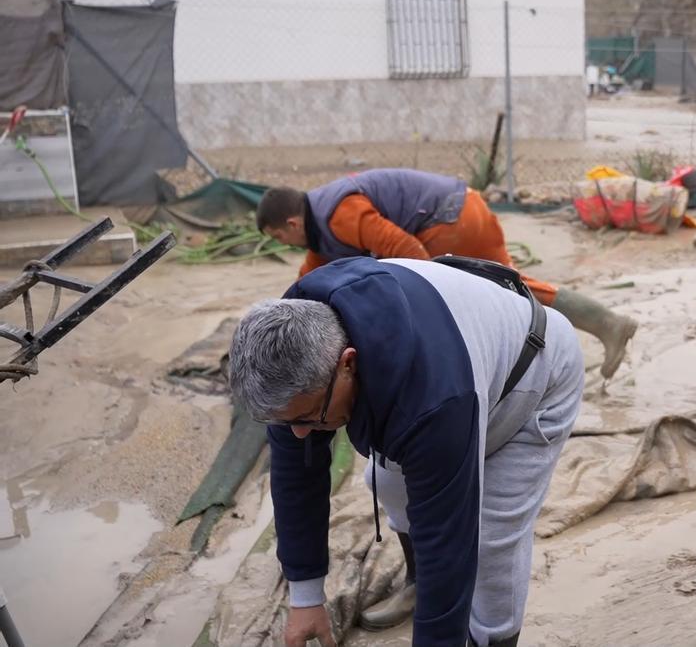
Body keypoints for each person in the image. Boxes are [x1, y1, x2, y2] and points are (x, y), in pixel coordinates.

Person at [229, 255, 584, 647]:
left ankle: (494, 640)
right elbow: (296, 478)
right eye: (287, 422)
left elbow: (446, 545)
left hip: (534, 372)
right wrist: (306, 597)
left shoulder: (432, 401)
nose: (299, 433)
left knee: (490, 538)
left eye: (309, 417)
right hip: (465, 366)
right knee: (387, 483)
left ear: (348, 364)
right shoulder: (292, 338)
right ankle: (416, 584)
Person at [256, 168, 636, 379]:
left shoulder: (340, 213)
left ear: (292, 223)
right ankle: (606, 324)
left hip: (449, 221)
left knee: (455, 305)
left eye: (278, 237)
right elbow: (306, 286)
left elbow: (406, 250)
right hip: (465, 208)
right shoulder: (320, 233)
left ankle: (491, 376)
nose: (283, 244)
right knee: (514, 291)